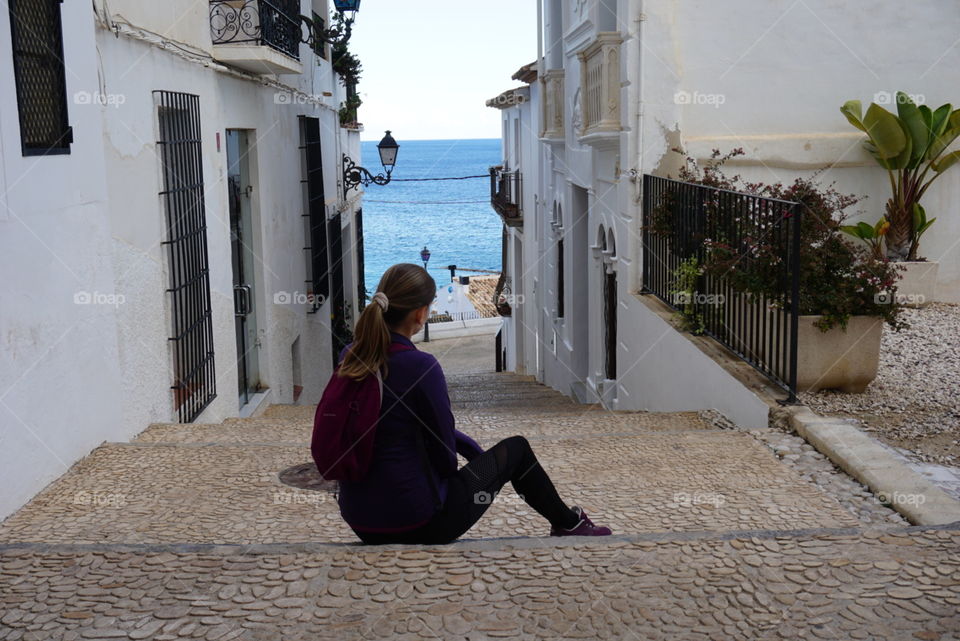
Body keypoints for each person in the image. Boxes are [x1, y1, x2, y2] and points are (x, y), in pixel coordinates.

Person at [333, 263, 612, 544]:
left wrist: (472, 451)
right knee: (517, 449)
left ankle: (568, 523)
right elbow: (443, 451)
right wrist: (475, 470)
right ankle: (569, 524)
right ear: (420, 313)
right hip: (421, 522)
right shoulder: (421, 367)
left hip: (361, 521)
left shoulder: (350, 356)